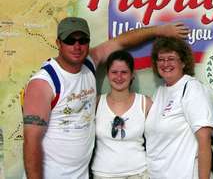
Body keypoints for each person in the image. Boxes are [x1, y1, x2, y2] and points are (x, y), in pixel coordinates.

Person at [22, 17, 188, 179]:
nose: (77, 46)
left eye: (83, 40)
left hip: (82, 174)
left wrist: (161, 30)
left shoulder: (89, 63)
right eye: (70, 40)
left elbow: (122, 42)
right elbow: (31, 143)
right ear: (59, 43)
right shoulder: (44, 83)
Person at [145, 37, 213, 179]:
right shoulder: (160, 92)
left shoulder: (192, 88)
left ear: (183, 62)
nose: (165, 64)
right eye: (161, 59)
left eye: (171, 58)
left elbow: (205, 140)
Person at [91, 50, 151, 179]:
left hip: (139, 173)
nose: (119, 77)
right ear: (107, 74)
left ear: (132, 75)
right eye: (114, 72)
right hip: (103, 174)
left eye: (124, 72)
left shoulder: (145, 103)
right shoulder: (96, 103)